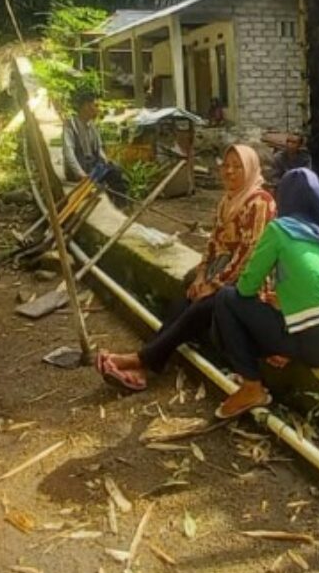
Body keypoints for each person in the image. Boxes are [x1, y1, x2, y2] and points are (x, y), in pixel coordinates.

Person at [96, 144, 276, 392]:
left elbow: (249, 255)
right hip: (220, 275)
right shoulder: (227, 201)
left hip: (248, 284)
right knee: (188, 294)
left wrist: (214, 284)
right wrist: (202, 275)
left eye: (238, 167)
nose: (230, 172)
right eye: (227, 165)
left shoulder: (261, 203)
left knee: (201, 306)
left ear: (252, 169)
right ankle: (146, 364)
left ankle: (139, 360)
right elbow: (213, 243)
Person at [213, 168, 319, 419]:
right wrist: (285, 306)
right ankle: (283, 349)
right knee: (272, 308)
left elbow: (246, 288)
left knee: (226, 299)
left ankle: (251, 386)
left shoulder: (280, 230)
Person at [62, 89, 128, 208]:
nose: (98, 108)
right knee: (107, 175)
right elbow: (69, 153)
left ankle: (121, 205)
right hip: (78, 170)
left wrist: (105, 160)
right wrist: (80, 174)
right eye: (95, 105)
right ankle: (118, 204)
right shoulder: (70, 125)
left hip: (92, 166)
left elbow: (99, 149)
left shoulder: (92, 125)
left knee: (116, 171)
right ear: (86, 107)